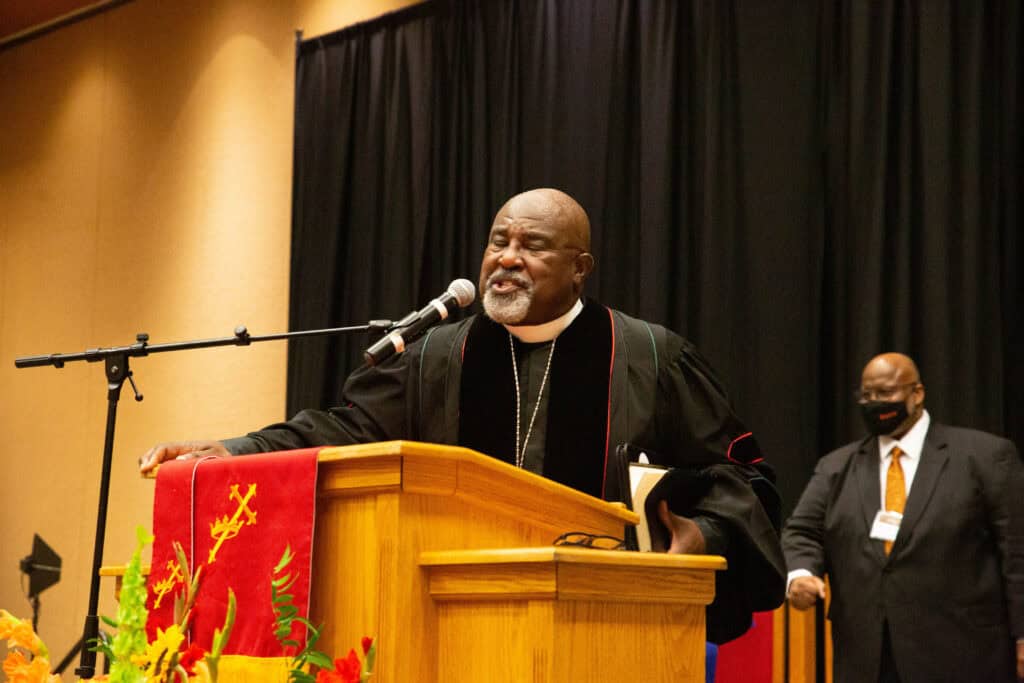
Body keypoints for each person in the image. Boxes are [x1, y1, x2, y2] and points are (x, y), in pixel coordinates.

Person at [140, 187, 786, 643]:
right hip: (454, 622)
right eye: (499, 240)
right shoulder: (438, 354)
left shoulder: (649, 355)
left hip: (610, 622)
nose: (507, 257)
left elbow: (741, 477)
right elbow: (346, 429)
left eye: (533, 245)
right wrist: (237, 449)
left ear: (579, 268)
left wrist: (706, 535)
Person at [782, 352, 1024, 683]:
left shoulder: (983, 456)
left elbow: (1017, 550)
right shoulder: (836, 467)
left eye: (885, 393)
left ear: (917, 393)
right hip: (867, 657)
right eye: (867, 395)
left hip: (963, 652)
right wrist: (801, 573)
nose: (875, 403)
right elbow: (802, 531)